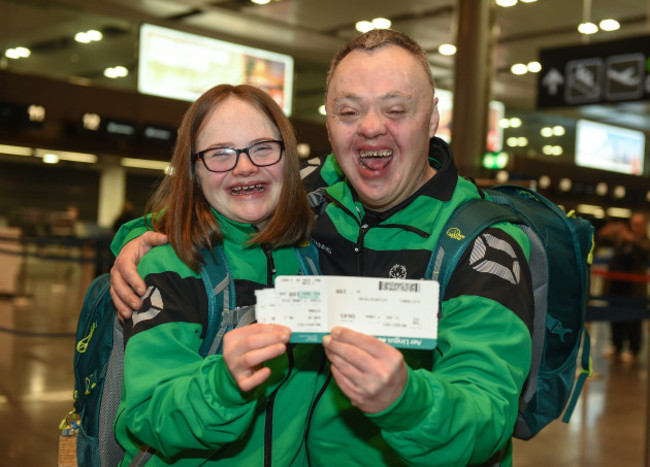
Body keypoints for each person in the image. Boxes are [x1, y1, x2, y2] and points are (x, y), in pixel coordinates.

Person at [111, 30, 533, 466]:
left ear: (430, 119)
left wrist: (406, 400)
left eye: (395, 109)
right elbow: (211, 211)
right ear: (329, 125)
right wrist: (137, 243)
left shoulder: (482, 246)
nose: (371, 127)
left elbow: (488, 415)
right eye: (349, 111)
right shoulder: (310, 195)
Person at [112, 83, 324, 465]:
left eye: (263, 147)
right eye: (220, 153)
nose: (245, 166)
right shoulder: (170, 266)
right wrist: (224, 384)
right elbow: (147, 414)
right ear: (193, 169)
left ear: (289, 158)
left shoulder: (314, 253)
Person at [598, 212, 649, 363]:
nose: (635, 227)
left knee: (633, 321)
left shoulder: (644, 242)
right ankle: (616, 345)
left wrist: (632, 239)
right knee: (615, 319)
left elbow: (645, 250)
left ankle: (633, 349)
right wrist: (604, 233)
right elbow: (601, 242)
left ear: (644, 226)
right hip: (616, 288)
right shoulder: (622, 241)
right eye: (633, 224)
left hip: (634, 290)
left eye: (638, 224)